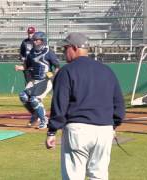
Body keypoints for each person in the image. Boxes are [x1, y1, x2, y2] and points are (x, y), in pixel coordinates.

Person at [45, 32, 125, 180]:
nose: (63, 52)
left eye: (65, 48)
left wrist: (52, 131)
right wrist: (113, 125)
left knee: (74, 176)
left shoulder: (66, 71)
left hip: (78, 130)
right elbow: (119, 105)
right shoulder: (106, 70)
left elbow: (59, 105)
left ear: (74, 47)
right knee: (99, 175)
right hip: (104, 130)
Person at [15, 31, 60, 129]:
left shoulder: (48, 52)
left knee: (34, 100)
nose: (34, 42)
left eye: (37, 40)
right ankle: (35, 115)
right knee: (23, 96)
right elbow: (27, 66)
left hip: (45, 80)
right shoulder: (31, 52)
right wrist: (20, 67)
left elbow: (57, 66)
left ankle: (44, 120)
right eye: (33, 40)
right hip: (33, 80)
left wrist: (51, 75)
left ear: (42, 41)